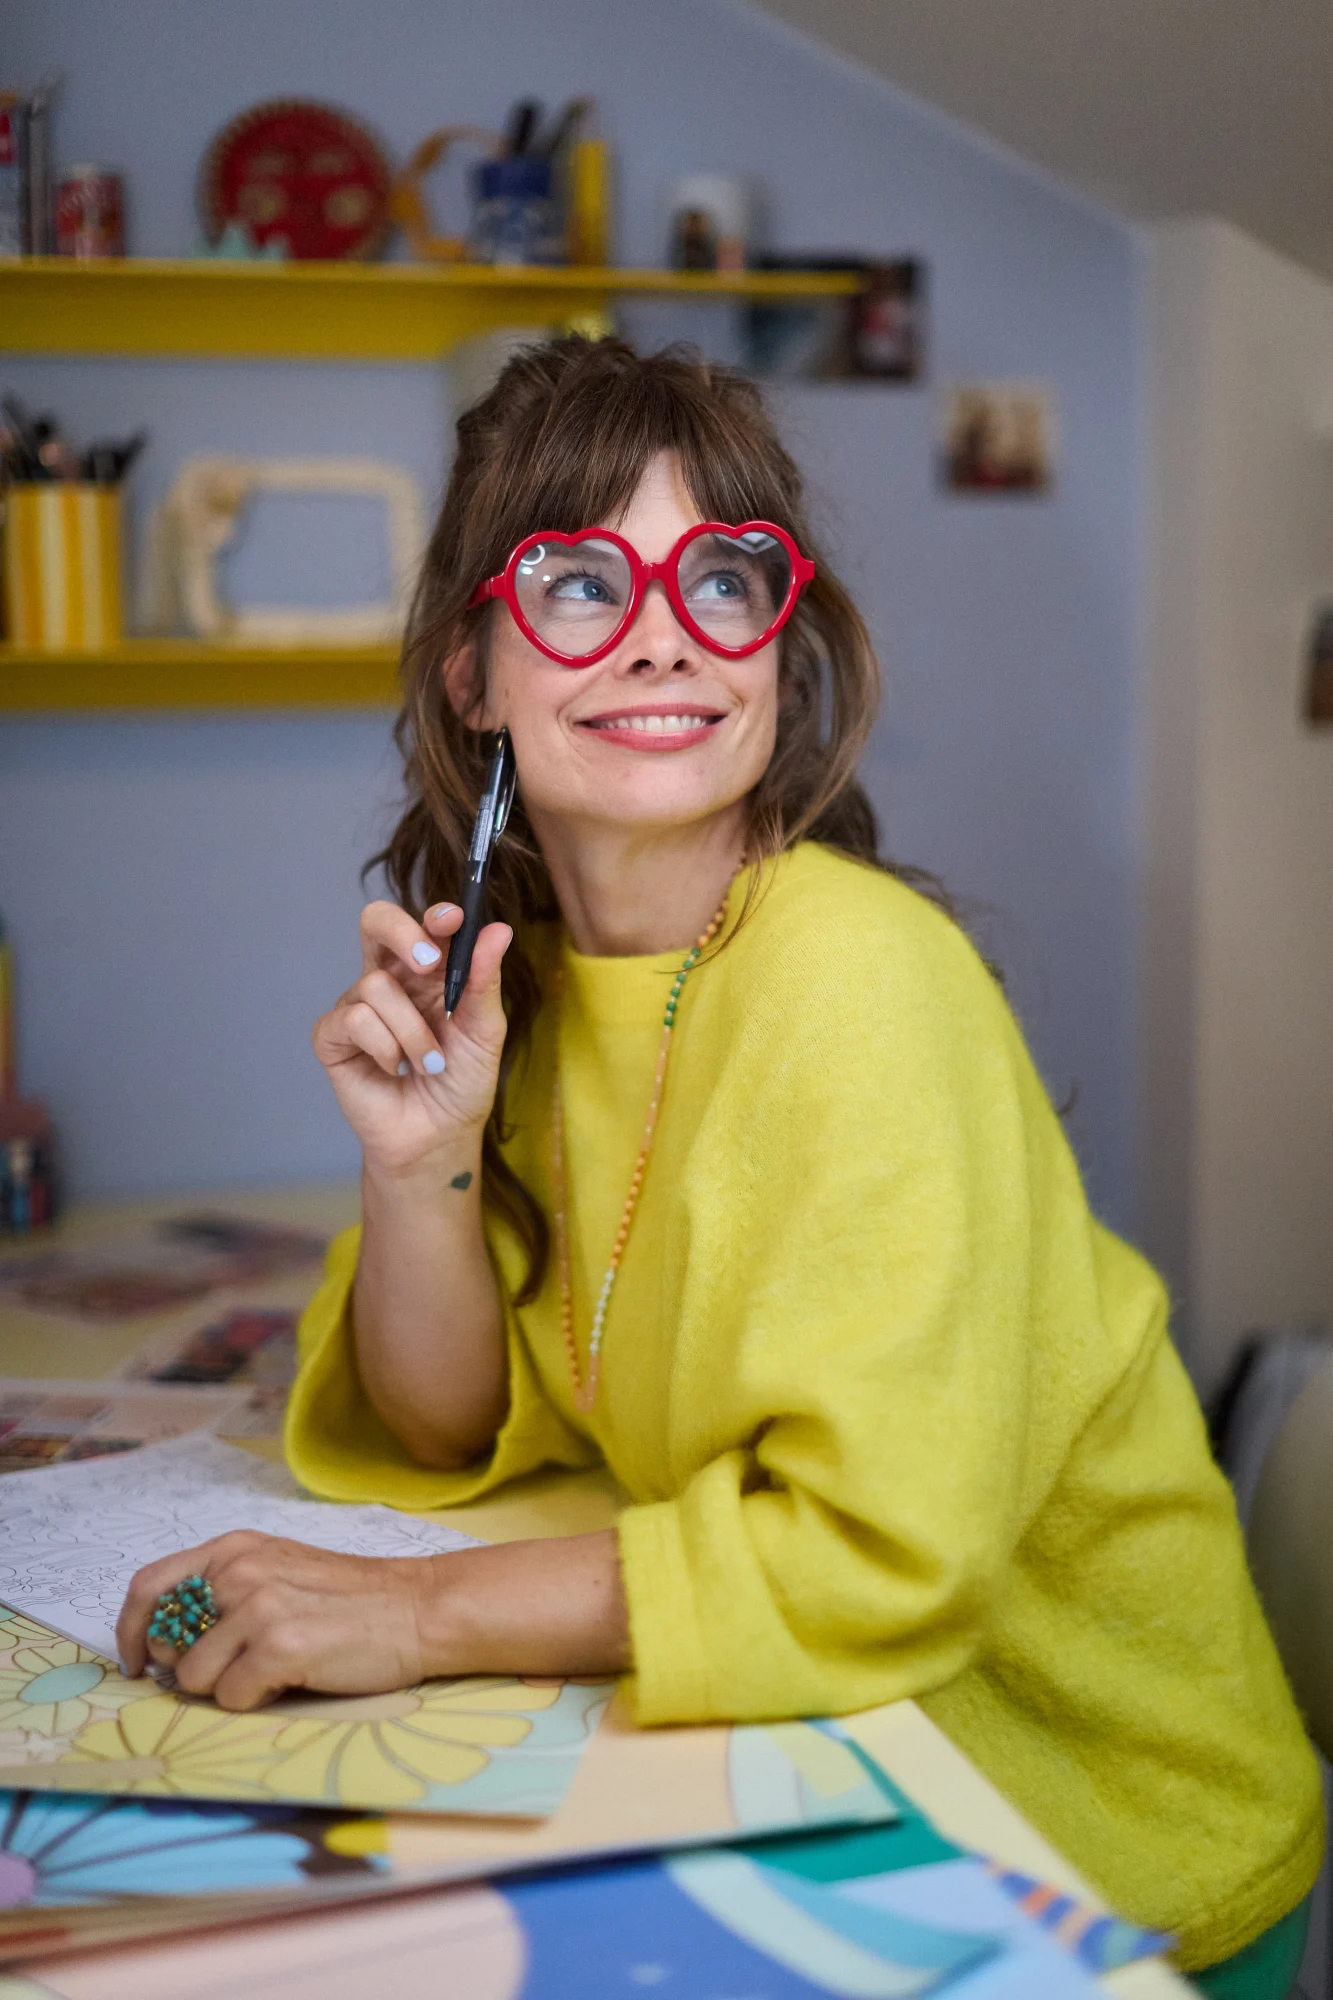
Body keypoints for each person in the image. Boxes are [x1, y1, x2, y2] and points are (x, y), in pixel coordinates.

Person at [119, 337, 1321, 1991]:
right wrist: (425, 1168)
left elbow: (867, 1554)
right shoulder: (524, 978)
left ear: (781, 641)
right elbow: (443, 1420)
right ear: (470, 670)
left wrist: (403, 1618)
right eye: (575, 582)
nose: (663, 634)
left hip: (1084, 1851)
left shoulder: (864, 983)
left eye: (725, 574)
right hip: (825, 1781)